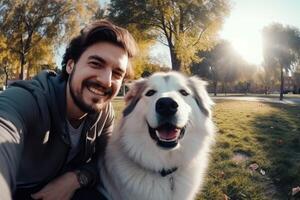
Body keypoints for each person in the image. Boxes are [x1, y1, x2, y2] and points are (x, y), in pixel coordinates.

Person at [0, 20, 137, 200]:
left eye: (117, 73)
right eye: (96, 64)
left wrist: (77, 178)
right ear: (70, 66)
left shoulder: (104, 112)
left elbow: (108, 161)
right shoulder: (27, 99)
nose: (106, 80)